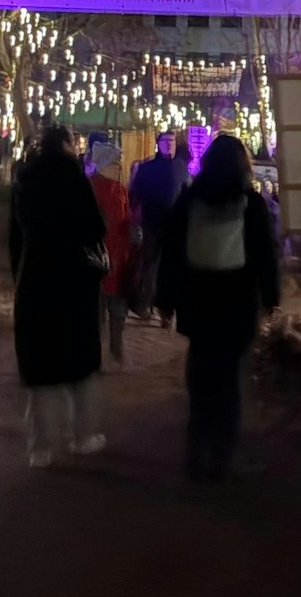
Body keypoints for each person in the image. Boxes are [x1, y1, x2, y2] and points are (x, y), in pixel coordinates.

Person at [154, 134, 281, 480]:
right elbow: (265, 255)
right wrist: (271, 298)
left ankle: (197, 452)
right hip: (237, 303)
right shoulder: (251, 203)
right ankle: (222, 456)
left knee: (201, 378)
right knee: (229, 380)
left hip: (198, 301)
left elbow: (172, 252)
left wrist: (165, 299)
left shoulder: (189, 199)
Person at [9, 126, 109, 468]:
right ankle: (83, 436)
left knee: (40, 365)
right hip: (73, 278)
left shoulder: (25, 180)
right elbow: (95, 228)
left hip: (35, 276)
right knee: (79, 361)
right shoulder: (74, 178)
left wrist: (17, 276)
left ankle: (40, 447)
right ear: (67, 145)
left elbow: (15, 236)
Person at [128, 131, 186, 325]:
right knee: (150, 264)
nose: (169, 144)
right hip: (152, 222)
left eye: (172, 141)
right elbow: (135, 194)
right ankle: (143, 304)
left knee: (170, 267)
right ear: (158, 144)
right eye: (166, 141)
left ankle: (166, 310)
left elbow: (187, 193)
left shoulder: (181, 167)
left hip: (174, 224)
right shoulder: (147, 168)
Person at [87, 142, 133, 369]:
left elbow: (127, 217)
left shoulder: (121, 190)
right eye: (114, 163)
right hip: (99, 257)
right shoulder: (91, 189)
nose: (118, 167)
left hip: (120, 255)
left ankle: (118, 350)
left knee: (118, 309)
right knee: (97, 311)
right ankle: (97, 356)